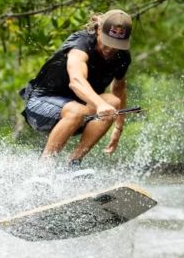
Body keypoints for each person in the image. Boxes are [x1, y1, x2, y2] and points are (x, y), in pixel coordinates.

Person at [19, 9, 133, 164]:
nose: (110, 49)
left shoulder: (122, 57)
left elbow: (119, 90)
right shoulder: (81, 43)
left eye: (116, 45)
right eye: (107, 42)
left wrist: (118, 128)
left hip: (79, 113)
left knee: (112, 102)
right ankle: (44, 167)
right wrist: (99, 104)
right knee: (78, 110)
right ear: (99, 30)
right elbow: (76, 80)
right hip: (40, 107)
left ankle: (73, 163)